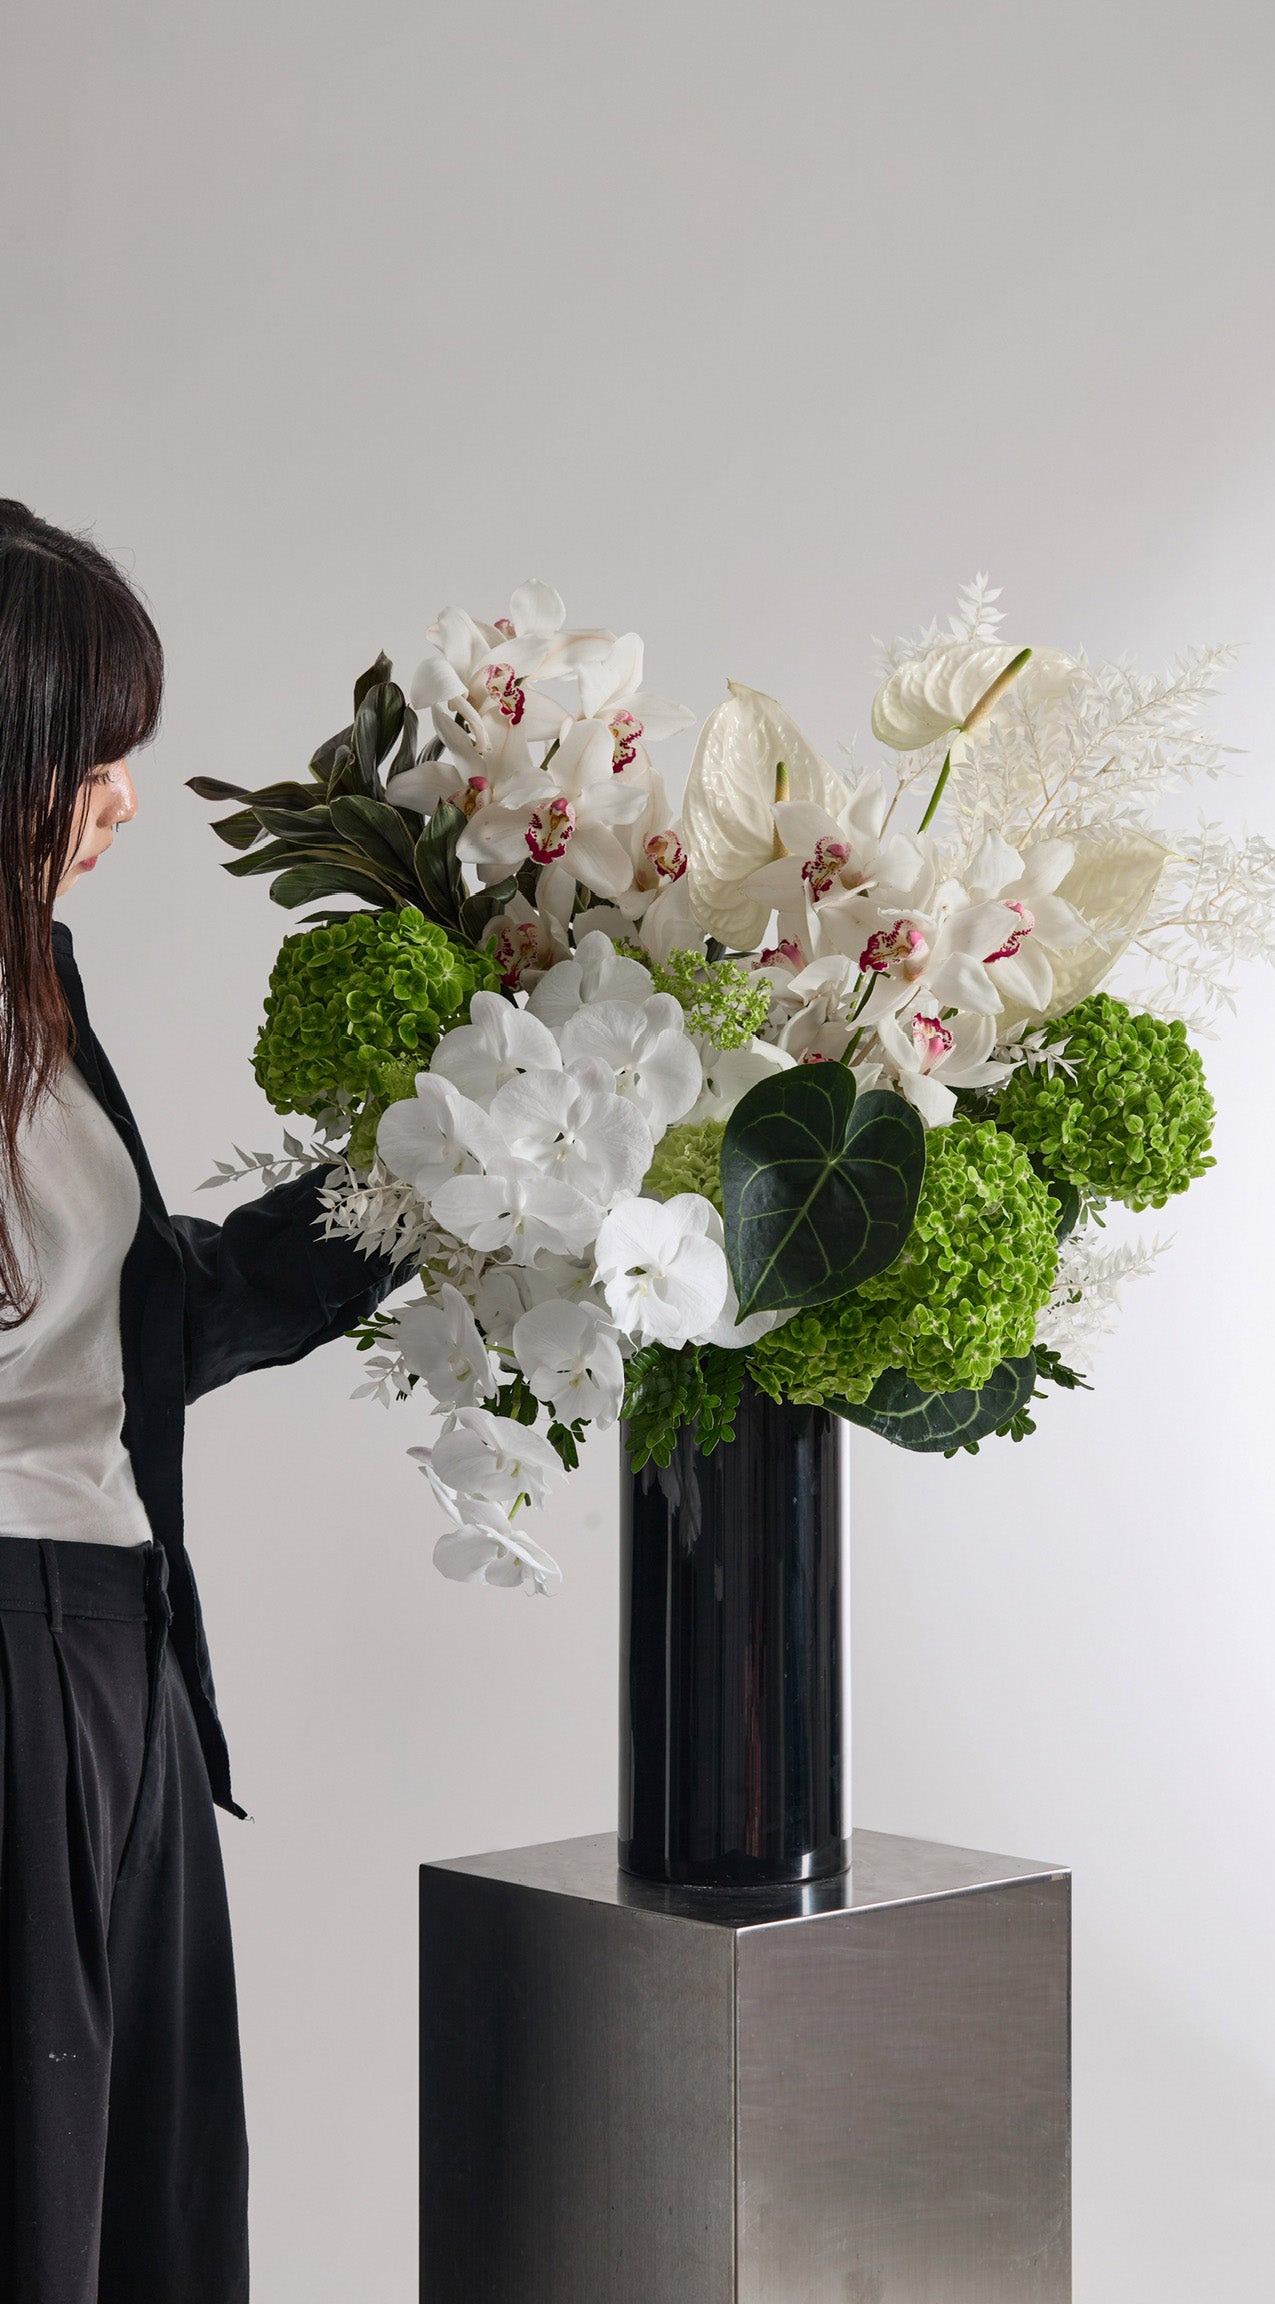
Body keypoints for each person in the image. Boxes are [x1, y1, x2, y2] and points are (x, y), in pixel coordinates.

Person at [0, 501, 402, 2303]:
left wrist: (437, 1169)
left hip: (123, 1642)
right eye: (98, 754)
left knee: (149, 2208)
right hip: (19, 1667)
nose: (127, 801)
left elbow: (145, 1324)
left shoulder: (35, 988)